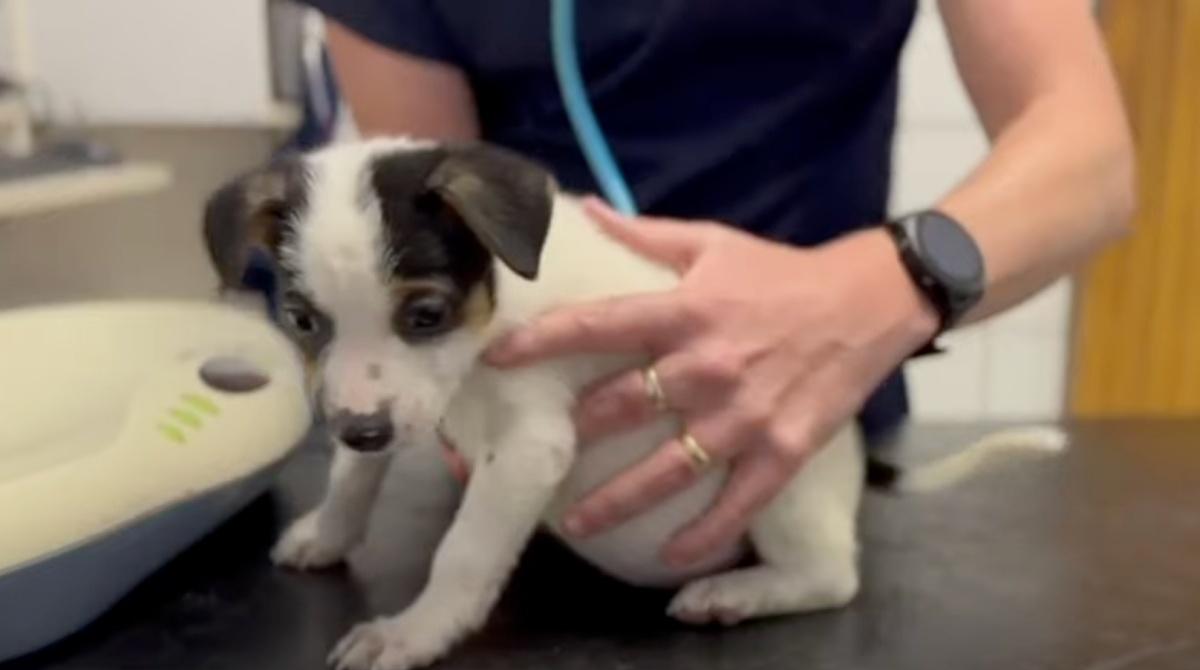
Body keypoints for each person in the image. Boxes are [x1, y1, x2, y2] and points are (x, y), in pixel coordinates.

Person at [299, 1, 1134, 567]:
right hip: (534, 461)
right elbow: (437, 243)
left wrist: (879, 290)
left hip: (817, 423)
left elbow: (1089, 158)